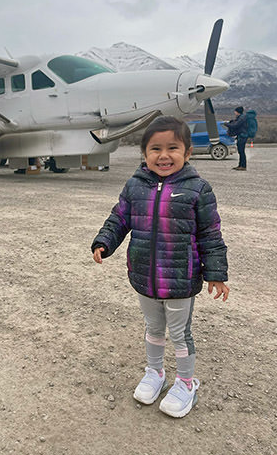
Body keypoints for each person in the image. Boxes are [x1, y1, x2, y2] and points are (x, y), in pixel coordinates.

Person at [91, 116, 229, 418]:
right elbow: (119, 219)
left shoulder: (198, 189)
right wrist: (104, 241)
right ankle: (155, 372)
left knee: (180, 334)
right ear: (144, 153)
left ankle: (186, 383)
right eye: (155, 148)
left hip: (181, 279)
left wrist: (216, 273)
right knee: (153, 328)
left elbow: (210, 233)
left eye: (172, 148)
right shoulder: (134, 186)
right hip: (144, 276)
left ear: (188, 153)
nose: (163, 155)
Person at [225, 106, 248, 171]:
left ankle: (243, 166)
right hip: (241, 135)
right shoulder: (241, 117)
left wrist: (227, 124)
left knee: (241, 151)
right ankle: (240, 165)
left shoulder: (241, 118)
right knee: (240, 151)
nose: (234, 112)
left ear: (237, 112)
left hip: (242, 136)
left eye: (235, 111)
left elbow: (235, 125)